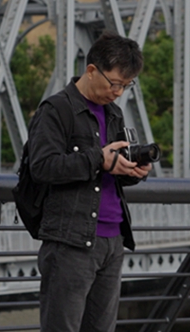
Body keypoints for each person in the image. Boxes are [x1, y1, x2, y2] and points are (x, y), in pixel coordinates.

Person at [29, 32, 151, 332]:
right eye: (115, 83)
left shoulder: (113, 113)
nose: (118, 92)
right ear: (92, 70)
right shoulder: (56, 110)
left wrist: (131, 170)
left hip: (113, 239)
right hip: (70, 242)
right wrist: (99, 159)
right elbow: (42, 167)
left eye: (126, 85)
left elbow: (108, 172)